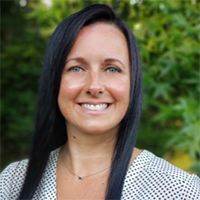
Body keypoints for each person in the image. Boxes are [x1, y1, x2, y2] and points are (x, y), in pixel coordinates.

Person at [0, 4, 199, 200]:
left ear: (133, 83)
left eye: (112, 69)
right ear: (54, 80)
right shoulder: (12, 182)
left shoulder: (179, 190)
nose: (94, 86)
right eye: (76, 68)